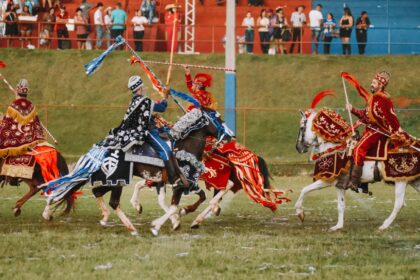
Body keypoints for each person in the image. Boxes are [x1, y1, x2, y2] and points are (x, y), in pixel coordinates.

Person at [97, 75, 188, 187]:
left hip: (142, 129)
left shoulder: (134, 101)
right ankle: (174, 180)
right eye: (143, 87)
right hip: (148, 132)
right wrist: (165, 96)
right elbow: (162, 108)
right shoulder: (145, 101)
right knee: (166, 151)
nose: (144, 88)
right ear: (140, 87)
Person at [345, 72, 407, 191]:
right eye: (372, 82)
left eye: (374, 83)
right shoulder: (373, 98)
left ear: (380, 85)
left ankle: (354, 182)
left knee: (359, 149)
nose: (371, 84)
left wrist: (397, 131)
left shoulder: (384, 99)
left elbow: (391, 117)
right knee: (353, 145)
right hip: (370, 130)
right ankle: (364, 183)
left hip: (378, 131)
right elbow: (366, 114)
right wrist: (352, 109)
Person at [0, 79, 46, 158]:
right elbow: (37, 124)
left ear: (17, 92)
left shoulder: (13, 106)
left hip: (17, 139)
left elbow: (6, 124)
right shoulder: (32, 106)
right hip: (31, 139)